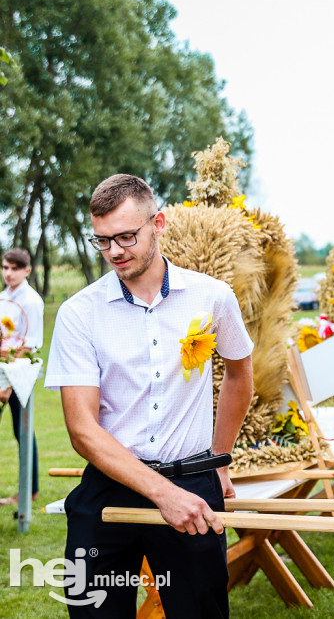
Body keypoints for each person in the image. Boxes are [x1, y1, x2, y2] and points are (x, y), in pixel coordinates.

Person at [45, 174, 254, 616]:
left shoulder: (212, 296)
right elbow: (82, 430)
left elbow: (239, 374)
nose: (115, 252)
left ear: (158, 224)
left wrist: (218, 459)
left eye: (126, 236)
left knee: (200, 612)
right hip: (108, 487)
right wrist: (163, 493)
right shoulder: (78, 313)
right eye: (102, 241)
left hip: (192, 482)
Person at [0, 247, 45, 505]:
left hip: (19, 372)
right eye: (5, 267)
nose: (8, 273)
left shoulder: (31, 300)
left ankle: (29, 490)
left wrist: (8, 363)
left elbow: (32, 341)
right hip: (2, 368)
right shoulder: (3, 297)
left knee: (23, 430)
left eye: (14, 268)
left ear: (26, 270)